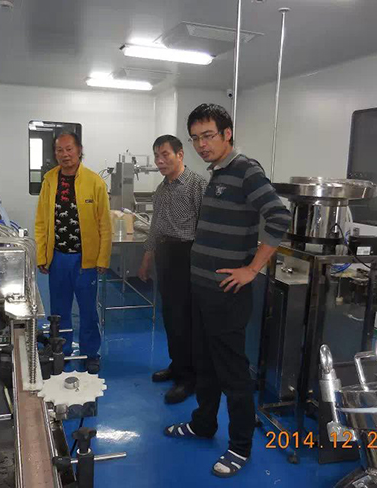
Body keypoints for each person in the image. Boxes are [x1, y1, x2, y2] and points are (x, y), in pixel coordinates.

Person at [163, 104, 291, 478]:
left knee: (233, 372)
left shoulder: (246, 170)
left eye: (208, 136)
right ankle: (203, 423)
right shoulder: (218, 173)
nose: (202, 144)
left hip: (226, 294)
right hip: (202, 289)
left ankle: (240, 446)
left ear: (227, 134)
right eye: (195, 138)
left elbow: (279, 217)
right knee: (204, 364)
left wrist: (253, 269)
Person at [138, 135, 208, 404]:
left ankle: (189, 378)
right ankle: (177, 365)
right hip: (165, 255)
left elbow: (205, 228)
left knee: (186, 319)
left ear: (180, 154)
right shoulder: (162, 189)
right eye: (157, 155)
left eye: (165, 154)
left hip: (187, 255)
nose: (159, 161)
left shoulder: (197, 185)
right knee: (170, 316)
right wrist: (147, 258)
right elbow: (155, 227)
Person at [35, 132, 112, 374]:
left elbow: (105, 224)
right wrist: (42, 256)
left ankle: (91, 353)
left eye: (69, 149)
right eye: (60, 150)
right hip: (58, 257)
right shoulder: (49, 180)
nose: (65, 154)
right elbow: (41, 222)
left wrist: (102, 258)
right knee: (59, 310)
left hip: (85, 259)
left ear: (79, 150)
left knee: (88, 310)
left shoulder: (94, 182)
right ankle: (62, 351)